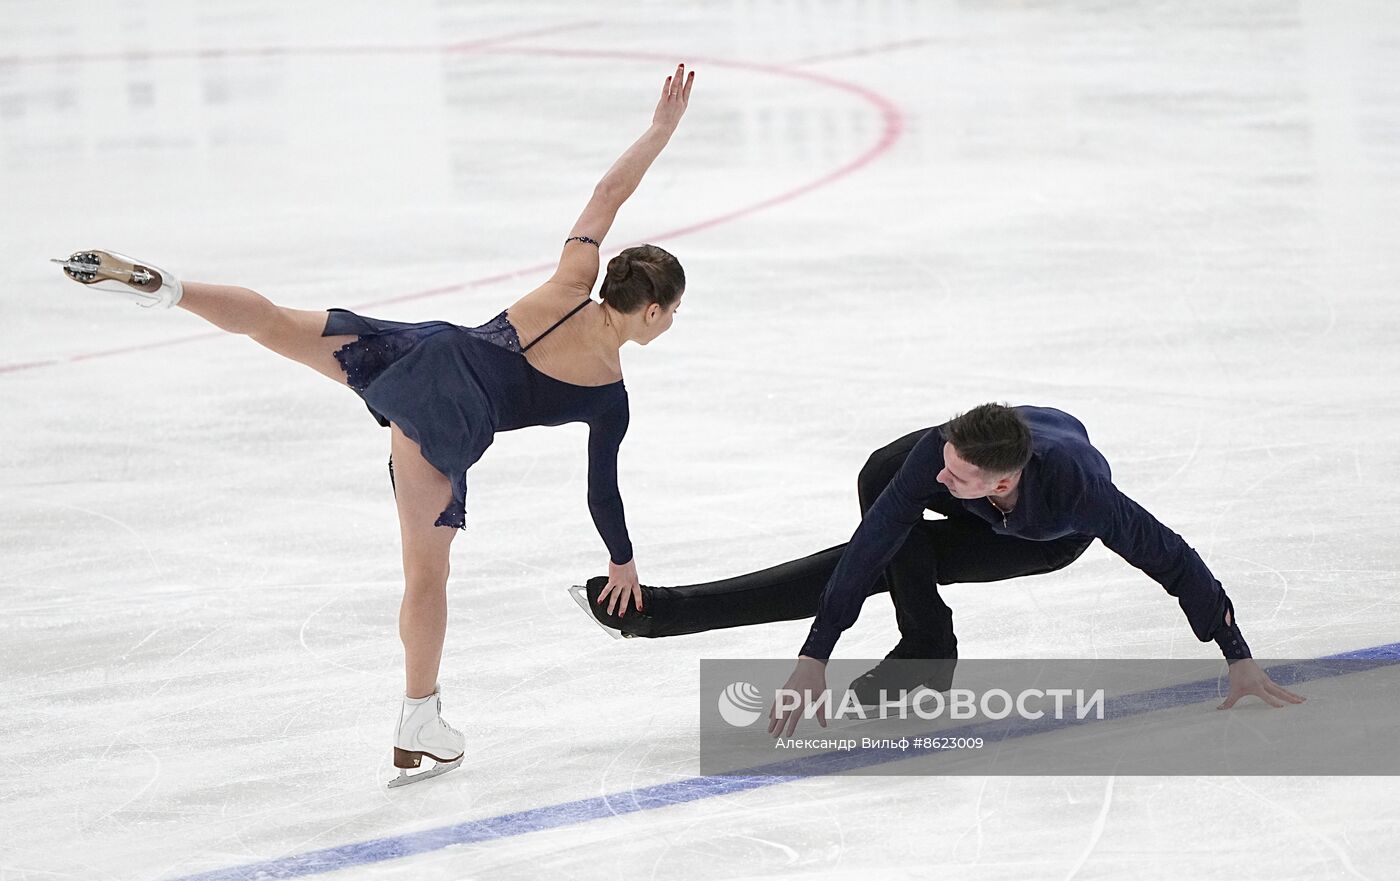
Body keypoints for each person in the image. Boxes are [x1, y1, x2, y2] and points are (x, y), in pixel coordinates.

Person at [53, 64, 696, 784]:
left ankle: (167, 288)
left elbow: (609, 194)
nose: (671, 321)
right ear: (650, 312)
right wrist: (622, 560)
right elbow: (601, 494)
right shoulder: (609, 395)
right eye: (671, 310)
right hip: (445, 422)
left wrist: (659, 131)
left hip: (421, 351)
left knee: (274, 322)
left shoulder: (575, 276)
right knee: (426, 578)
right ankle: (418, 715)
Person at [583, 403, 1304, 735]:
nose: (940, 473)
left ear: (994, 481)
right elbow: (868, 548)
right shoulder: (941, 454)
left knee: (899, 548)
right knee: (882, 490)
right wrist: (814, 655)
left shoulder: (1082, 495)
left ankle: (925, 648)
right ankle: (928, 643)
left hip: (1036, 537)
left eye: (955, 472)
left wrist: (1236, 654)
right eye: (946, 458)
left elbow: (1173, 559)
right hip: (994, 483)